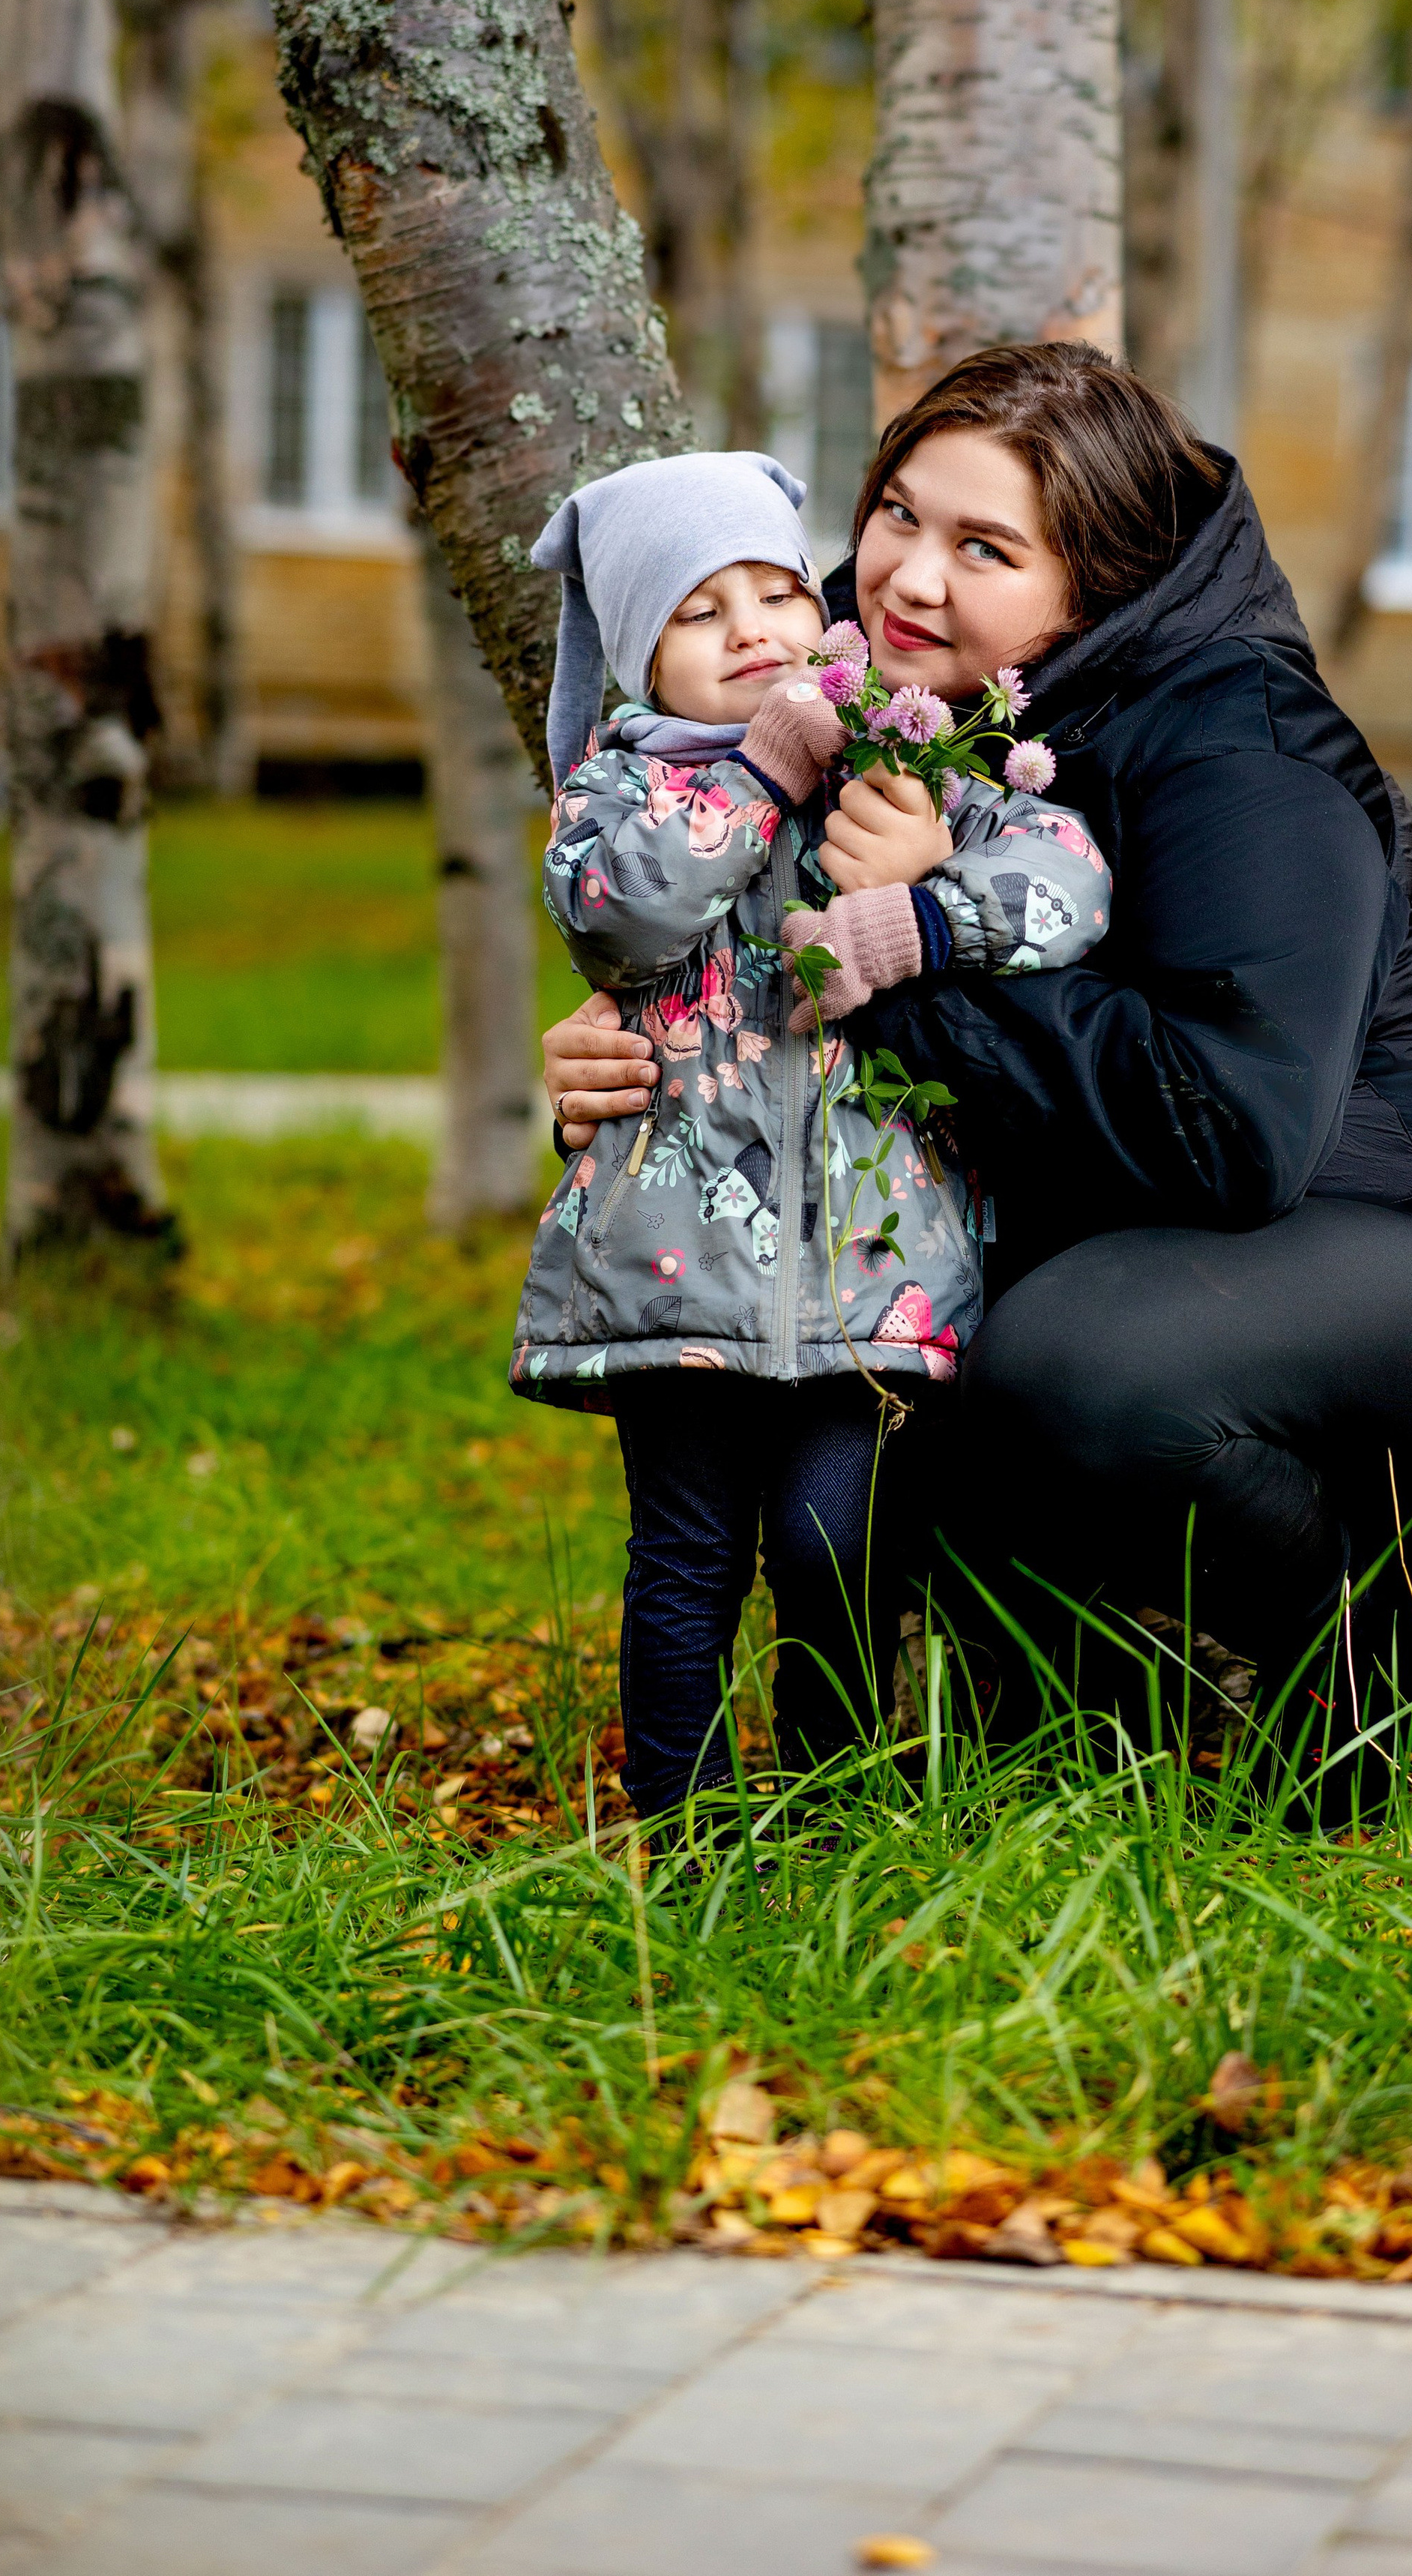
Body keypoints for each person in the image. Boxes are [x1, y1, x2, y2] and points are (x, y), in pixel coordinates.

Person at [542, 348, 1412, 1816]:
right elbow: (727, 933)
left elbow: (1230, 1132)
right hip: (1209, 1257)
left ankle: (1365, 1704)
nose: (907, 580)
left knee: (1062, 1369)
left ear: (1097, 581)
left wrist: (926, 939)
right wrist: (641, 1069)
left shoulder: (1241, 750)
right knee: (900, 1429)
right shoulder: (873, 713)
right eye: (896, 516)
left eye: (982, 549)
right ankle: (1072, 1752)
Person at [511, 447, 1111, 1817]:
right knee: (686, 1560)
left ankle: (835, 1816)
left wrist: (922, 910)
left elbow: (1067, 881)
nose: (751, 635)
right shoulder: (619, 795)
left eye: (774, 596)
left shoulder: (902, 759)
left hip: (875, 1274)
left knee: (836, 1546)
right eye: (699, 612)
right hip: (677, 1280)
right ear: (635, 654)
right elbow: (621, 909)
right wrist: (765, 778)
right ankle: (690, 1831)